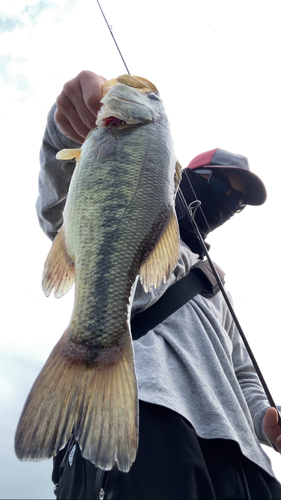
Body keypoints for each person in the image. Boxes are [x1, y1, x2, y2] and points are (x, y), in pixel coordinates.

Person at [36, 70, 281, 499]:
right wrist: (62, 130)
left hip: (245, 457)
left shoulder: (214, 281)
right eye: (220, 183)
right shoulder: (130, 199)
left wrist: (265, 421)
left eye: (238, 201)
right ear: (182, 175)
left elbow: (243, 373)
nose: (227, 201)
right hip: (145, 413)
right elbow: (58, 209)